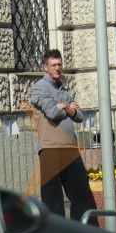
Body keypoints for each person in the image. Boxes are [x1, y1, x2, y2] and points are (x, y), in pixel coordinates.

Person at [31, 50, 96, 220]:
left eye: (60, 65)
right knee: (53, 203)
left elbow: (79, 116)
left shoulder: (64, 89)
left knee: (82, 196)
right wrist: (69, 109)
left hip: (70, 148)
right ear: (45, 67)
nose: (58, 68)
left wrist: (66, 107)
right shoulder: (39, 88)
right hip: (51, 149)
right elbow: (52, 112)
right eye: (54, 65)